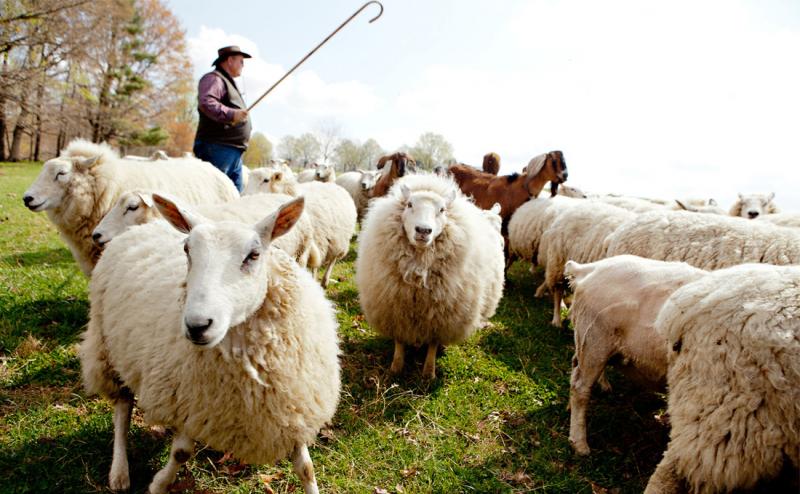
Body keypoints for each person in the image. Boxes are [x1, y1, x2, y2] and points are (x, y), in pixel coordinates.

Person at [193, 45, 253, 192]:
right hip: (218, 148)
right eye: (241, 61)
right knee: (216, 194)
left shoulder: (225, 81)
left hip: (231, 151)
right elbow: (207, 103)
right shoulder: (214, 79)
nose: (243, 65)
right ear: (230, 60)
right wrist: (232, 114)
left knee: (234, 198)